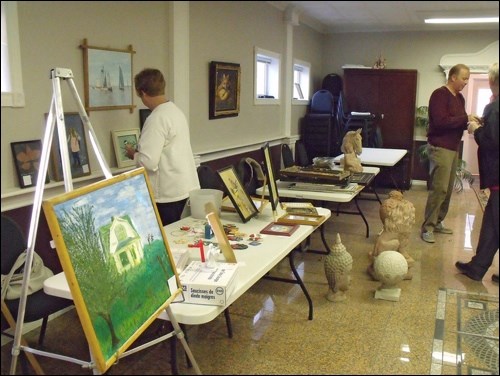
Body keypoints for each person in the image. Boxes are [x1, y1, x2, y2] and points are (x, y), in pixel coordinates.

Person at [125, 68, 200, 226]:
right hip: (185, 187)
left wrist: (134, 154)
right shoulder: (176, 112)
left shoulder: (156, 118)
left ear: (143, 93)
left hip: (167, 195)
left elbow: (149, 162)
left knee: (170, 241)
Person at [421, 64, 481, 243]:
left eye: (468, 79)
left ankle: (438, 222)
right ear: (453, 77)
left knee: (447, 190)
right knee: (439, 189)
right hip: (440, 148)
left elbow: (458, 122)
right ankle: (427, 228)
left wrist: (473, 121)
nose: (466, 82)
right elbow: (440, 122)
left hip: (453, 148)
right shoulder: (439, 94)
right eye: (464, 78)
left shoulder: (460, 98)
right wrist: (465, 118)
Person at [455, 62, 499, 283]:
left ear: (492, 81)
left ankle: (477, 266)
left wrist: (475, 129)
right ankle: (477, 266)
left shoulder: (495, 106)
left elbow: (491, 142)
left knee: (494, 223)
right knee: (493, 222)